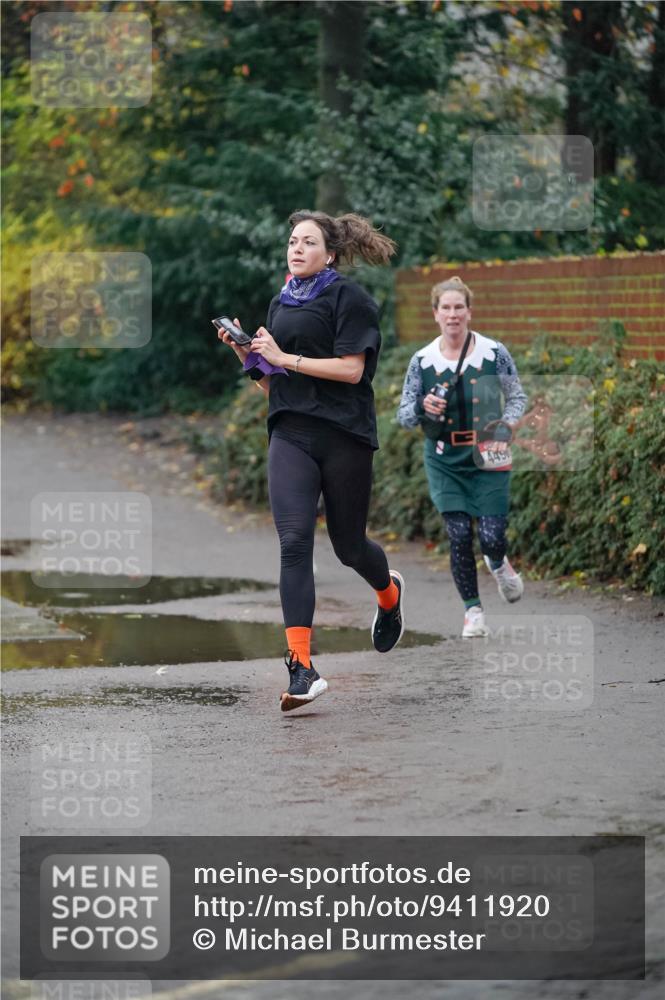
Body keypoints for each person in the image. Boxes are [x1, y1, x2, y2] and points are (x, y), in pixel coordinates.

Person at [219, 210, 405, 711]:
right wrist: (249, 358)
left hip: (345, 435)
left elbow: (350, 370)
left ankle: (388, 594)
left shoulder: (351, 299)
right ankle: (301, 668)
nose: (295, 249)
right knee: (294, 542)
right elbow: (273, 385)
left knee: (348, 547)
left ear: (331, 253)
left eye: (307, 242)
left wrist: (284, 359)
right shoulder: (281, 301)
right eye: (291, 241)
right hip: (292, 433)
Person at [397, 276, 527, 638]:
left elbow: (517, 396)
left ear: (469, 312)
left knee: (492, 536)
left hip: (489, 453)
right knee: (457, 535)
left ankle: (498, 563)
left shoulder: (494, 352)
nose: (452, 315)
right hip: (443, 458)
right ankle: (473, 612)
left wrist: (509, 422)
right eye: (446, 308)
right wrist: (423, 405)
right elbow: (404, 416)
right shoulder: (422, 360)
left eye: (459, 307)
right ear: (435, 314)